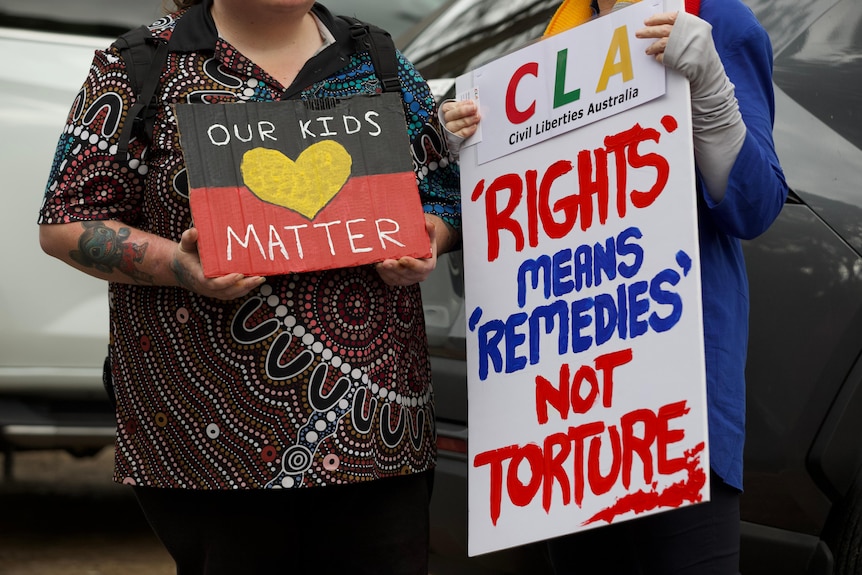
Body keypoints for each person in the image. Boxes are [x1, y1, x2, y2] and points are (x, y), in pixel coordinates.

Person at [38, 1, 461, 573]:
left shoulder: (377, 56)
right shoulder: (140, 64)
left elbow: (445, 194)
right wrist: (177, 265)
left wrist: (425, 239)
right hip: (210, 436)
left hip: (376, 428)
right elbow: (66, 220)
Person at [441, 0, 788, 573]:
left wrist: (710, 91)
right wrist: (475, 161)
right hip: (570, 420)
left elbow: (754, 208)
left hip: (680, 413)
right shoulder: (554, 39)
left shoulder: (719, 21)